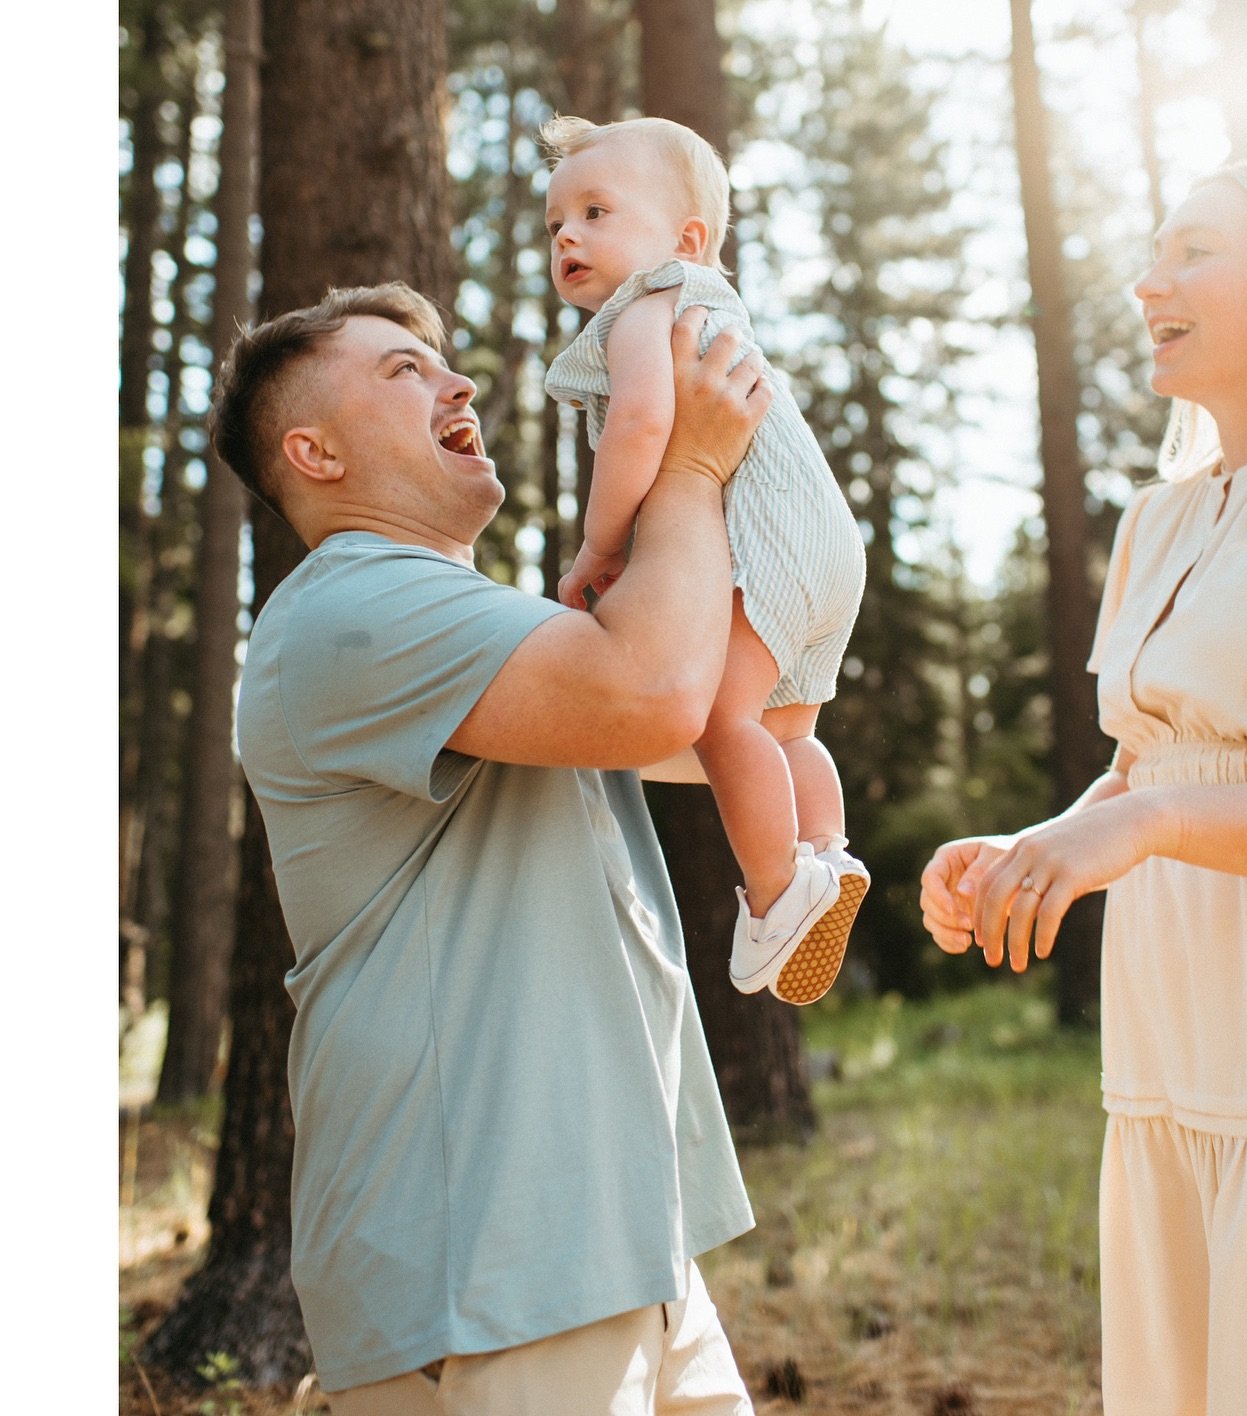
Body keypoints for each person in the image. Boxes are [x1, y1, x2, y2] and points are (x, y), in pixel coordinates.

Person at [209, 280, 771, 1415]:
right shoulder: (347, 609)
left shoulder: (468, 632)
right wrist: (691, 465)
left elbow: (708, 720)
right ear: (314, 454)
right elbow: (654, 692)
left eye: (441, 362)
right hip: (491, 1249)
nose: (457, 381)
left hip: (609, 1235)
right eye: (402, 371)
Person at [920, 161, 1247, 1416]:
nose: (1149, 282)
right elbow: (1149, 765)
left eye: (1193, 252)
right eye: (1151, 254)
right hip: (1166, 1051)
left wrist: (1150, 822)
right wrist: (1031, 847)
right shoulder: (1155, 522)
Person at [541, 114, 869, 1005]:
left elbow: (645, 423)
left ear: (686, 238)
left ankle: (778, 891)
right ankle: (827, 855)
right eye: (557, 222)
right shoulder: (710, 308)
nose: (569, 234)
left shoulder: (649, 304)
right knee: (785, 727)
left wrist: (602, 544)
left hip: (765, 540)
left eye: (597, 210)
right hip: (825, 545)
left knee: (726, 722)